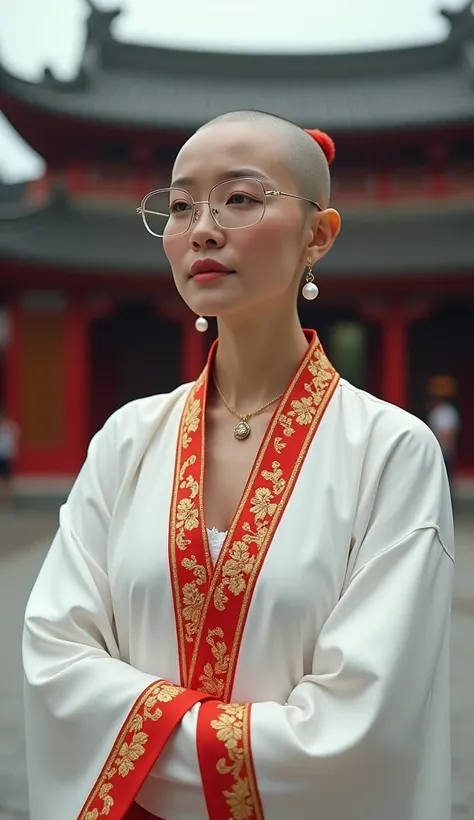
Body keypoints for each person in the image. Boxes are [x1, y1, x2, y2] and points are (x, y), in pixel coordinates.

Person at [23, 110, 454, 820]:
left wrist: (141, 736)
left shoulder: (391, 452)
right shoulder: (127, 440)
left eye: (241, 198)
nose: (203, 228)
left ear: (319, 234)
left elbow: (364, 724)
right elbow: (57, 657)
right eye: (182, 204)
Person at [426, 375, 460, 488]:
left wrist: (445, 448)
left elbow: (449, 433)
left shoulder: (447, 411)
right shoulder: (436, 411)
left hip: (444, 450)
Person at [0, 407, 20, 508]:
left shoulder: (10, 427)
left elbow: (15, 438)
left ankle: (7, 502)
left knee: (7, 480)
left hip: (6, 456)